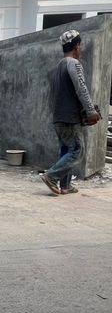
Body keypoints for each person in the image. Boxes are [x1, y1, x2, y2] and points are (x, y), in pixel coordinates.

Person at [41, 30, 101, 195]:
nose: (80, 49)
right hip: (70, 118)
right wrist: (90, 110)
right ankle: (51, 176)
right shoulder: (73, 64)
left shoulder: (58, 66)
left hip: (59, 117)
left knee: (66, 150)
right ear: (76, 46)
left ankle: (65, 185)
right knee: (77, 151)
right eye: (80, 46)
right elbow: (81, 89)